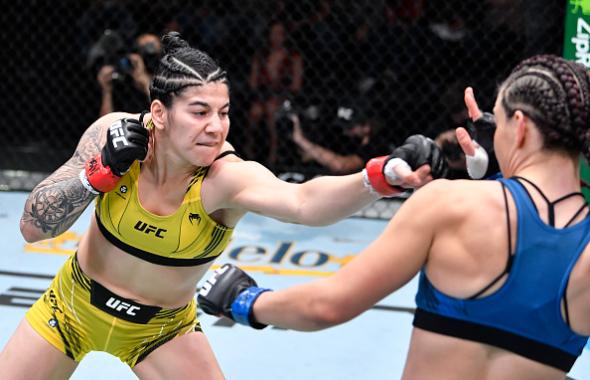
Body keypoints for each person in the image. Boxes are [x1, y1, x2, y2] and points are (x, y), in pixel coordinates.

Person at [0, 32, 441, 379]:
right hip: (70, 306)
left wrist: (378, 178)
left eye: (224, 112)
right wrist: (93, 176)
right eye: (199, 112)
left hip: (161, 331)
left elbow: (304, 203)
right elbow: (31, 227)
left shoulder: (225, 177)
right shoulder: (111, 135)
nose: (215, 127)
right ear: (159, 112)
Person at [198, 54, 590, 379]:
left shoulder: (449, 203)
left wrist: (243, 301)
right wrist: (501, 173)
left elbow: (327, 305)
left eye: (500, 123)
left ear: (519, 127)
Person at [96, 32, 163, 117]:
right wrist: (106, 91)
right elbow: (105, 125)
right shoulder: (122, 84)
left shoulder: (166, 83)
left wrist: (146, 83)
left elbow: (163, 115)